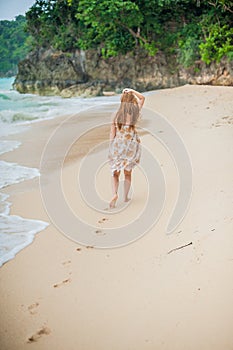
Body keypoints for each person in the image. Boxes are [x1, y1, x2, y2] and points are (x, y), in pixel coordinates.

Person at [108, 88, 145, 208]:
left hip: (118, 146)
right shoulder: (135, 112)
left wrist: (111, 147)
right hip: (131, 146)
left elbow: (112, 133)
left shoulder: (116, 115)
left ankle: (114, 194)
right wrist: (133, 91)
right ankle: (125, 197)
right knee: (128, 173)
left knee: (115, 173)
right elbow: (142, 98)